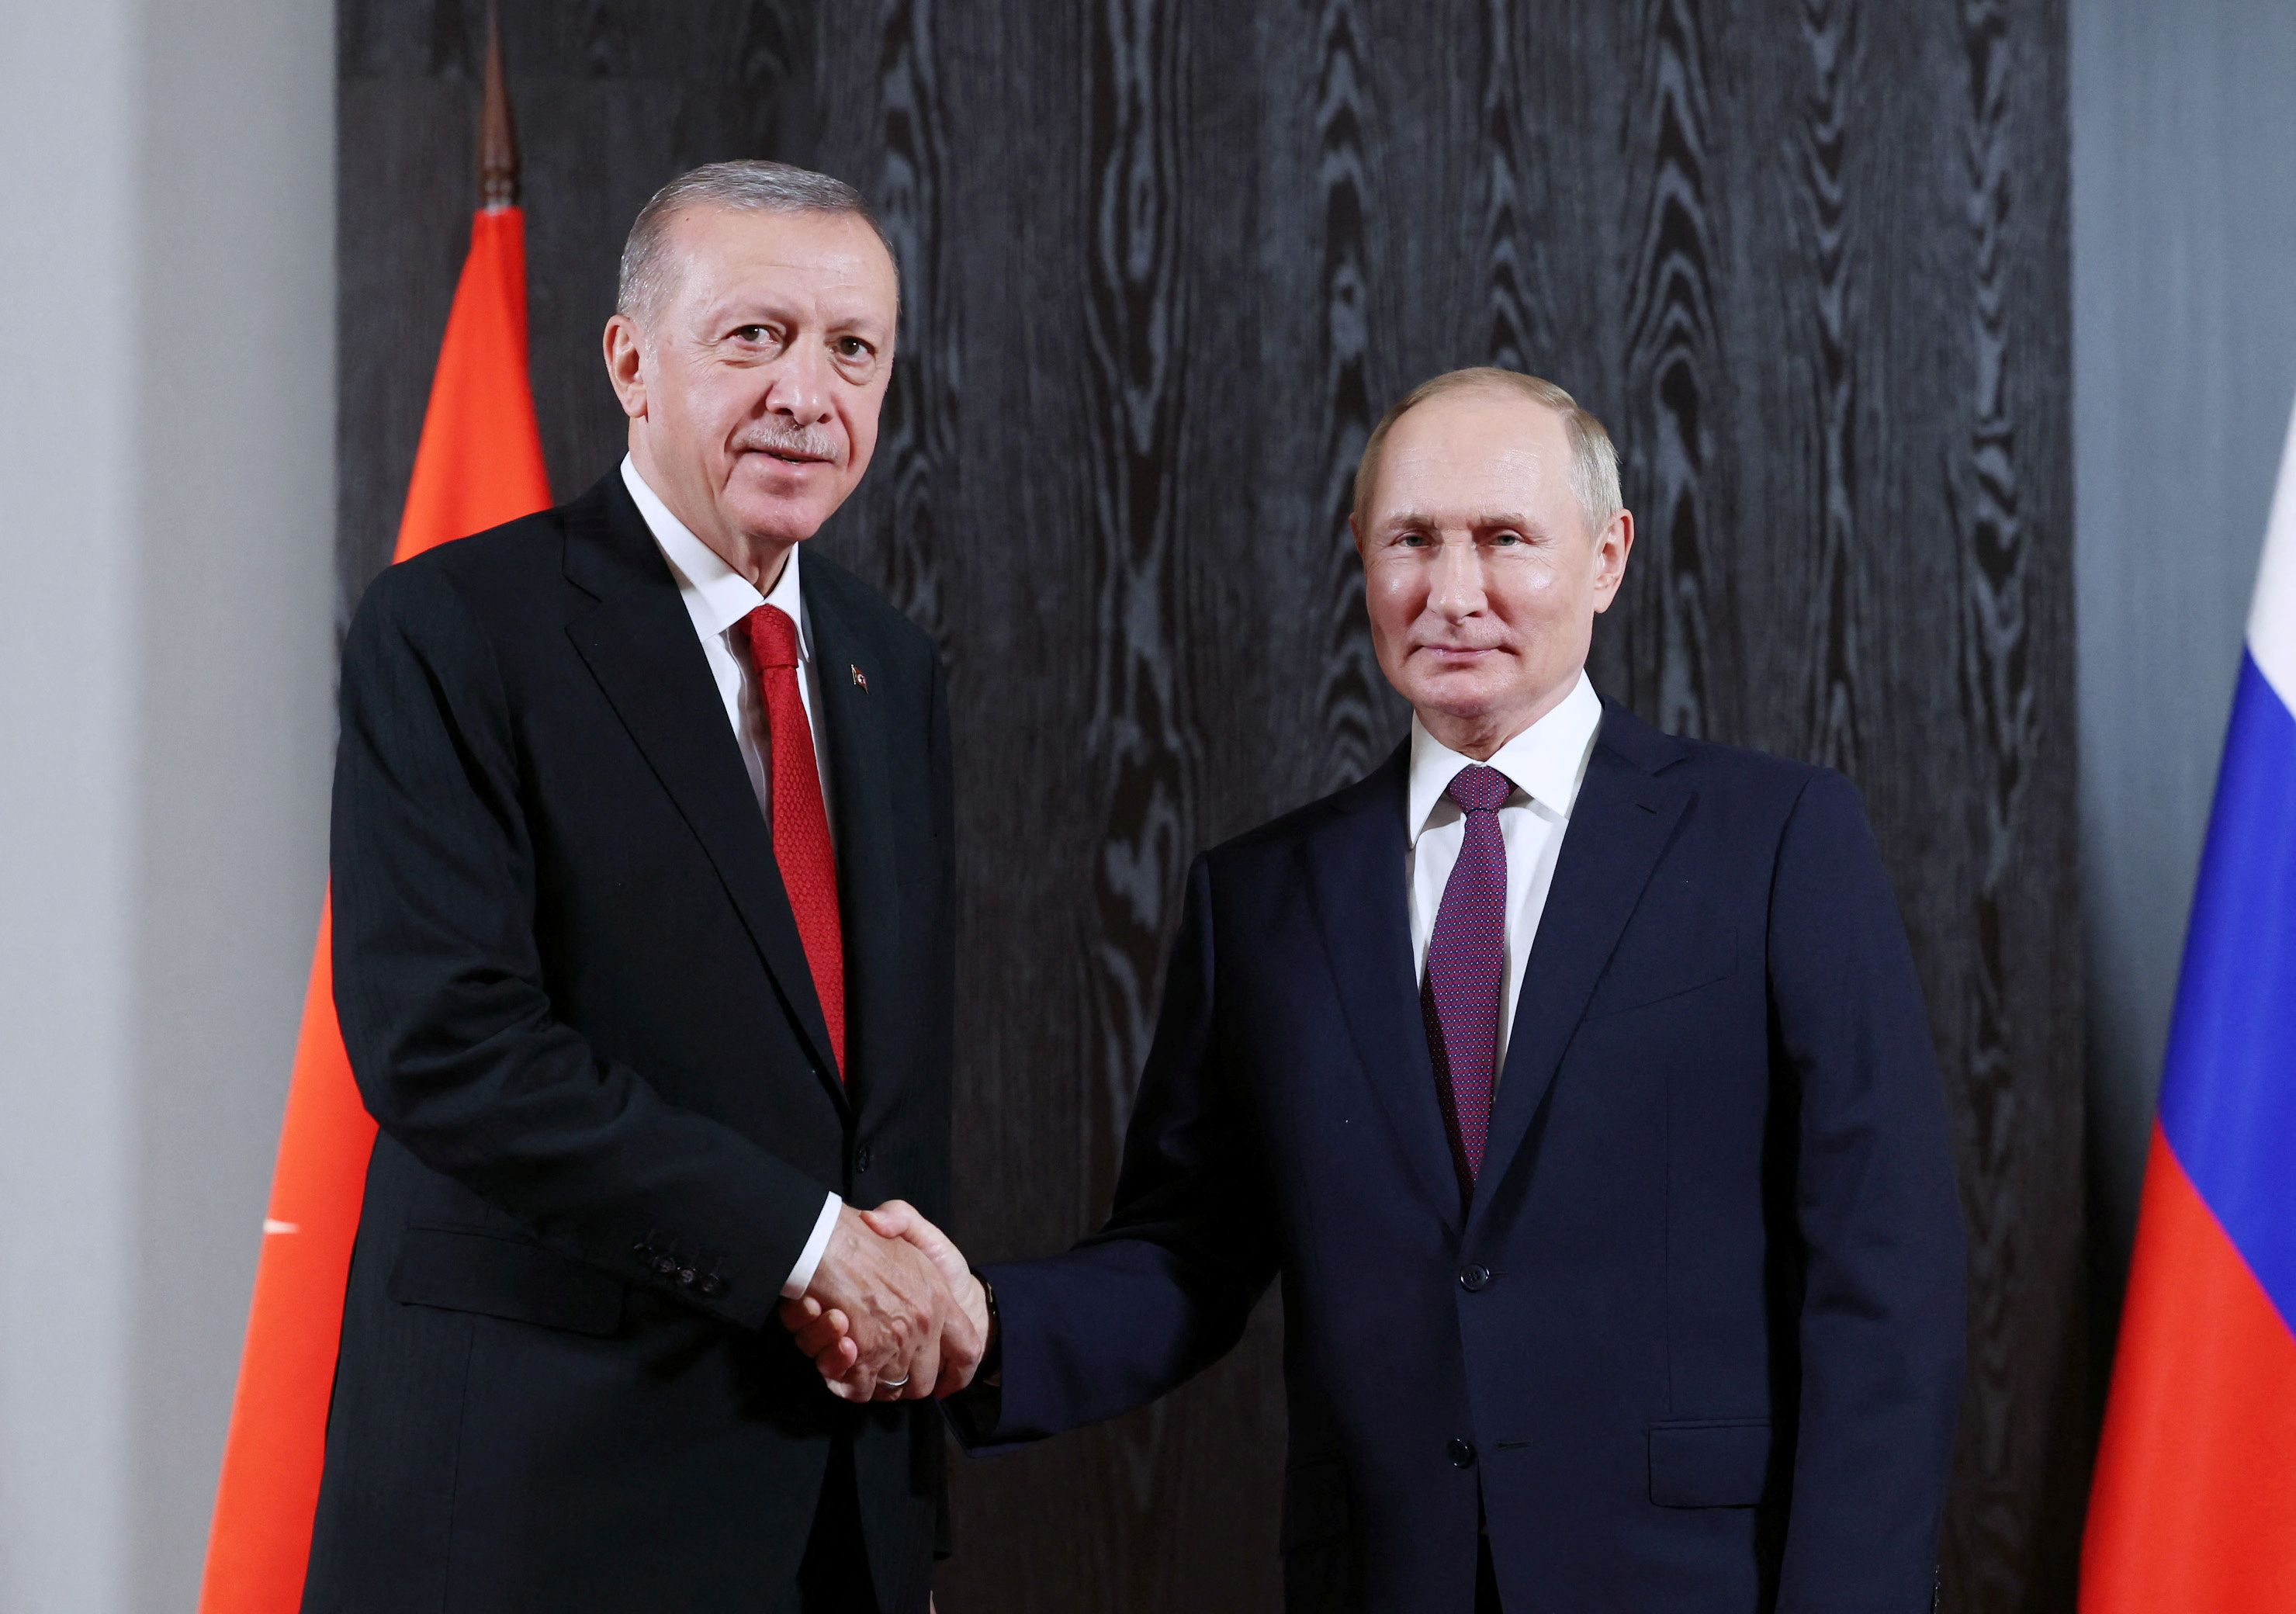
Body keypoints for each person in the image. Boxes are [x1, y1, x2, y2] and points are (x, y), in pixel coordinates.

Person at [795, 369, 1967, 1612]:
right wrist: (980, 1323)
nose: (1451, 593)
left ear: (1608, 555)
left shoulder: (1776, 840)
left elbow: (1883, 1279)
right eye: (1411, 540)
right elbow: (1189, 1257)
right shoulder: (1258, 899)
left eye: (1504, 539)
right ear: (1363, 555)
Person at [310, 161, 974, 1614]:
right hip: (539, 1511)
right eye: (755, 336)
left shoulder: (886, 665)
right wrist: (812, 1250)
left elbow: (882, 1092)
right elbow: (450, 1046)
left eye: (854, 349)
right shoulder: (459, 628)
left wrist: (911, 1400)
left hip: (828, 1504)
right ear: (631, 361)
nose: (810, 391)